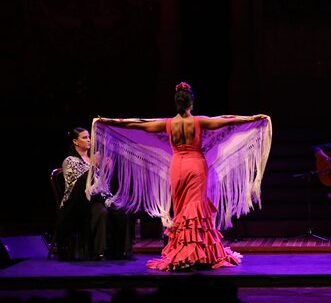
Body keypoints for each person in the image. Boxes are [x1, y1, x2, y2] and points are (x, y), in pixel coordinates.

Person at [99, 81, 268, 270]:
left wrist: (109, 121)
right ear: (191, 103)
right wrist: (253, 118)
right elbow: (227, 120)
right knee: (194, 209)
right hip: (195, 166)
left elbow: (137, 124)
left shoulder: (168, 124)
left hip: (177, 167)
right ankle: (196, 254)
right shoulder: (198, 121)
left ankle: (185, 252)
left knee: (181, 211)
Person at [56, 127, 133, 261]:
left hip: (96, 199)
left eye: (89, 137)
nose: (89, 140)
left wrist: (105, 169)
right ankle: (99, 252)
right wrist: (94, 165)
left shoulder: (93, 159)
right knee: (101, 211)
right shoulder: (70, 161)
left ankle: (122, 251)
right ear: (75, 141)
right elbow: (81, 187)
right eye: (84, 137)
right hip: (78, 203)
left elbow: (102, 188)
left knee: (122, 208)